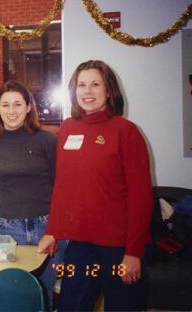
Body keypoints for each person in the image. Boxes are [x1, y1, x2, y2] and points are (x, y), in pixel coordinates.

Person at [37, 60, 153, 311]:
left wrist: (133, 252)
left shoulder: (126, 131)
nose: (87, 91)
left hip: (118, 247)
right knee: (70, 306)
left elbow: (140, 196)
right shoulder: (68, 128)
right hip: (79, 247)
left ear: (109, 91)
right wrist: (52, 230)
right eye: (81, 85)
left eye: (95, 84)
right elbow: (63, 186)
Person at [0, 80, 59, 306]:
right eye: (6, 105)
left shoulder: (48, 140)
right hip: (8, 230)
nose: (12, 111)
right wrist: (7, 215)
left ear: (29, 107)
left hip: (47, 228)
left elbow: (59, 185)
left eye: (18, 104)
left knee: (45, 295)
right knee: (14, 298)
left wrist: (54, 228)